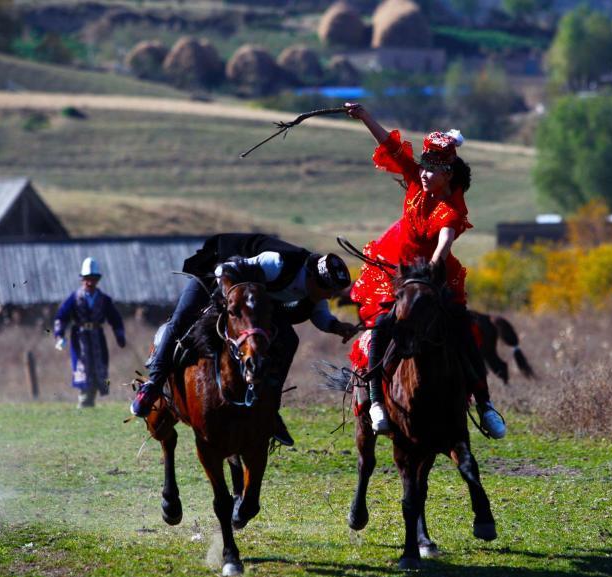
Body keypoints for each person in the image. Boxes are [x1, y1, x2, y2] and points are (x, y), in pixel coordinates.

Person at [345, 102, 506, 439]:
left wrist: (434, 263)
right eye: (423, 168)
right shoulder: (418, 180)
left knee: (464, 332)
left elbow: (446, 235)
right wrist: (364, 116)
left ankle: (484, 404)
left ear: (448, 174)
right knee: (381, 326)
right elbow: (390, 145)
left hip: (434, 274)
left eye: (431, 171)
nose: (423, 174)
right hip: (399, 268)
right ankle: (375, 400)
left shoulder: (452, 206)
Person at [130, 233, 359, 447]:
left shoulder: (316, 287)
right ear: (312, 277)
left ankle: (270, 410)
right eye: (327, 290)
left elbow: (320, 315)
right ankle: (153, 385)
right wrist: (227, 302)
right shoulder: (277, 263)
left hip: (254, 300)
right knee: (181, 321)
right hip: (218, 274)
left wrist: (338, 327)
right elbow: (226, 269)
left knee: (289, 339)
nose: (328, 296)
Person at [54, 257, 126, 409]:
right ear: (82, 279)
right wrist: (59, 335)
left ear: (97, 280)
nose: (89, 282)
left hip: (98, 338)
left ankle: (90, 402)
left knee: (98, 369)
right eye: (87, 279)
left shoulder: (104, 300)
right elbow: (61, 316)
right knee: (83, 369)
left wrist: (119, 335)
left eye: (92, 279)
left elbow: (115, 318)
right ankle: (84, 402)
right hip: (80, 340)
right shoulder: (74, 298)